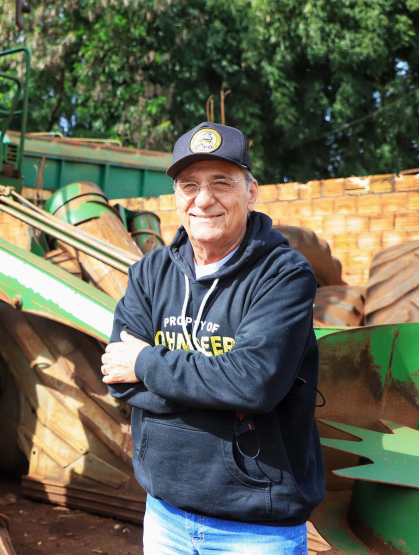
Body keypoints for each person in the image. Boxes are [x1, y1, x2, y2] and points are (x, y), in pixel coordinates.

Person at [101, 122, 324, 554]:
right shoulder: (149, 273)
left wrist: (147, 364)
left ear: (251, 191)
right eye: (190, 185)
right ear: (176, 197)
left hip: (255, 528)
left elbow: (253, 384)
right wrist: (218, 389)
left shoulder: (284, 275)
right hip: (164, 515)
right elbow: (116, 376)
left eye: (221, 182)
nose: (203, 199)